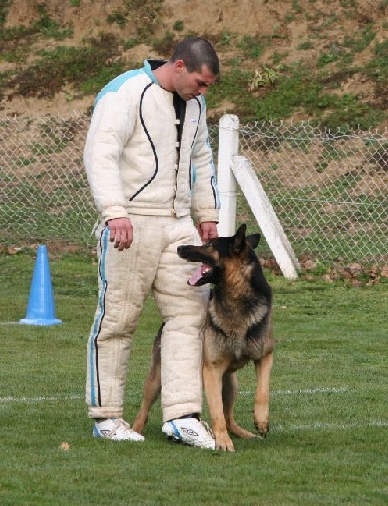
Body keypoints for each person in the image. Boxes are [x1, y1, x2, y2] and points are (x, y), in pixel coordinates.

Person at [83, 37, 220, 447]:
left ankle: (182, 415)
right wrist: (114, 212)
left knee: (190, 315)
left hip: (178, 224)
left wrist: (208, 214)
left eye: (208, 85)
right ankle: (106, 416)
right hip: (132, 221)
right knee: (118, 319)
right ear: (178, 66)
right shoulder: (124, 92)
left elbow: (201, 158)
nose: (203, 90)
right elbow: (101, 153)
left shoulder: (196, 104)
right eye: (200, 81)